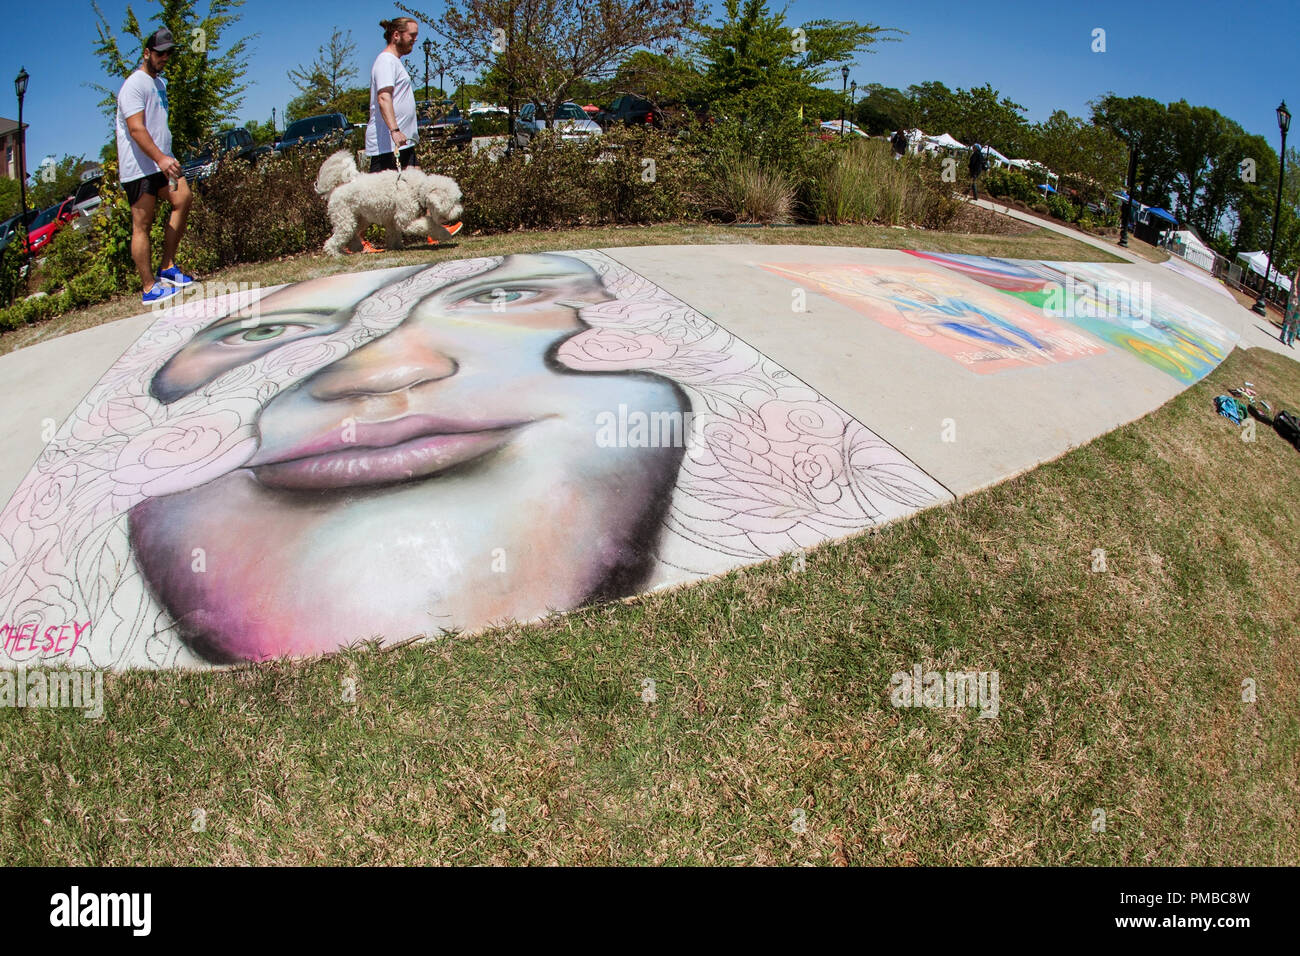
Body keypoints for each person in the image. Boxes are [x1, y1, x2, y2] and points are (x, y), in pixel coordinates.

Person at [115, 27, 194, 304]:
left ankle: (168, 267)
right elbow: (136, 129)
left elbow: (158, 125)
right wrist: (160, 158)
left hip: (161, 162)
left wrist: (166, 156)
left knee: (183, 197)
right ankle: (149, 288)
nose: (165, 58)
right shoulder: (133, 85)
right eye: (160, 53)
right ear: (147, 53)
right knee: (142, 224)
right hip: (139, 168)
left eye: (169, 53)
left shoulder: (160, 84)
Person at [366, 18, 421, 172]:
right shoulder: (385, 61)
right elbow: (384, 98)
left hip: (403, 143)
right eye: (412, 35)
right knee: (386, 195)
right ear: (396, 35)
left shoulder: (394, 62)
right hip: (389, 145)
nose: (415, 39)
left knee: (416, 190)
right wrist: (395, 131)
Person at [1283, 266, 1300, 347]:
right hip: (1295, 294)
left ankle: (1291, 339)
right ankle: (1284, 335)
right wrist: (1295, 290)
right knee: (1290, 315)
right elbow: (1295, 280)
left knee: (1297, 319)